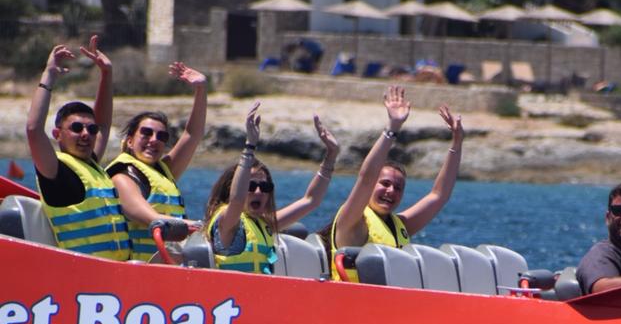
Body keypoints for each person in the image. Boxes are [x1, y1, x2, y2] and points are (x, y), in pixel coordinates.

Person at [329, 84, 463, 280]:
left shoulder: (400, 226)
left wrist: (457, 144)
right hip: (353, 305)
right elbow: (365, 179)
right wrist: (393, 128)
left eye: (398, 188)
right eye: (384, 183)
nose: (391, 191)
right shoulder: (352, 222)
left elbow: (439, 195)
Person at [26, 36, 131, 261]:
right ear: (57, 135)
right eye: (76, 128)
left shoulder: (92, 165)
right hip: (83, 275)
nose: (86, 134)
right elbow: (34, 129)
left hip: (116, 274)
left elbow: (102, 123)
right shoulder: (54, 170)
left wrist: (106, 74)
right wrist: (49, 75)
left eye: (90, 130)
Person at [204, 102, 339, 273]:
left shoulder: (266, 224)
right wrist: (249, 147)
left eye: (265, 187)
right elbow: (237, 200)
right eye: (251, 186)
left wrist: (331, 155)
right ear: (233, 187)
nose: (259, 192)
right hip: (230, 297)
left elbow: (311, 200)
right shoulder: (226, 221)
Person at [106, 62, 207, 262]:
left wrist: (201, 88)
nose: (154, 140)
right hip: (142, 270)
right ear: (129, 140)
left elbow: (193, 134)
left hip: (168, 268)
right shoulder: (122, 176)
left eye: (161, 136)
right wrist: (201, 227)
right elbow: (153, 219)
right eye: (146, 133)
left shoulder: (164, 171)